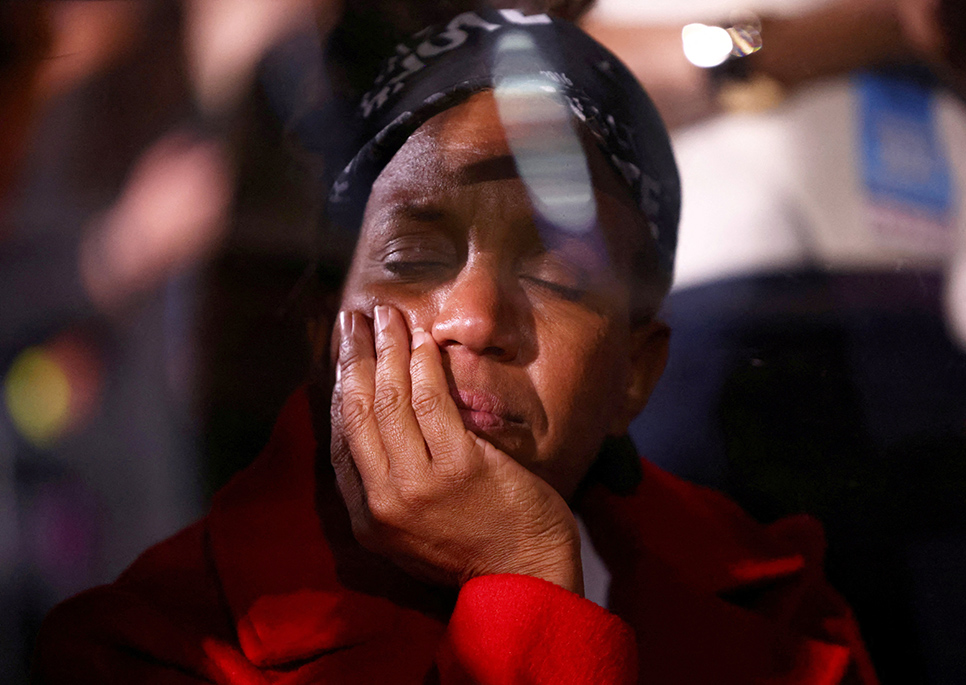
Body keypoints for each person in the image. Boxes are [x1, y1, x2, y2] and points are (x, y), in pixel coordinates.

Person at [32, 9, 877, 684]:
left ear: (636, 371)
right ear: (331, 329)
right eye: (413, 259)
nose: (474, 318)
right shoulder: (150, 647)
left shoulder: (790, 626)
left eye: (557, 275)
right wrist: (526, 579)